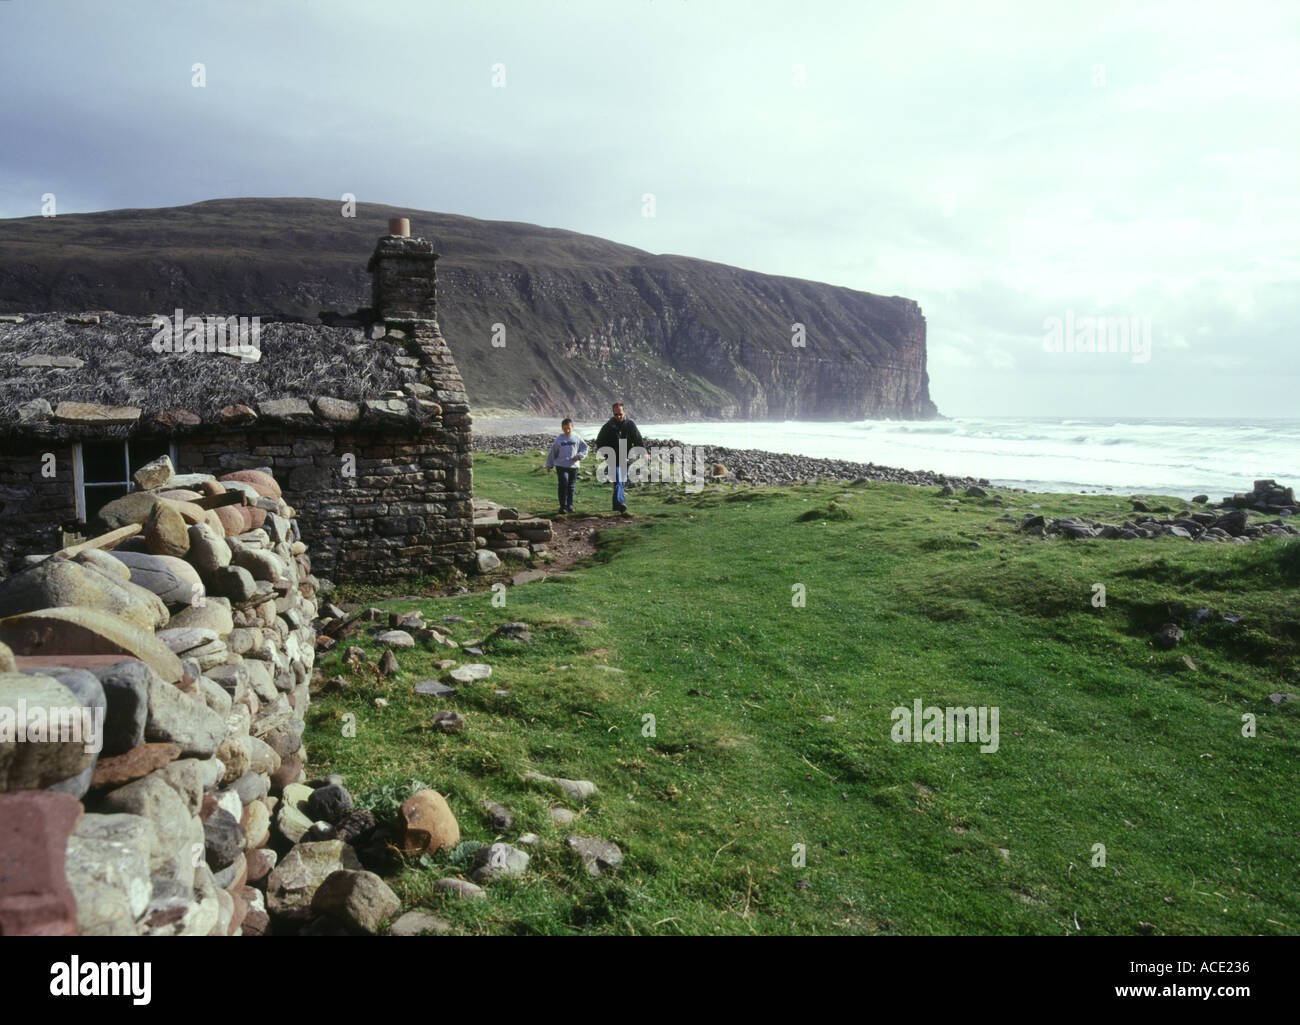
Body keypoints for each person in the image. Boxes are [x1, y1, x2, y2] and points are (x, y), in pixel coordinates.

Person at [594, 401, 646, 514]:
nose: (618, 416)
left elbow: (638, 439)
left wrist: (644, 453)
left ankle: (616, 505)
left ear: (624, 412)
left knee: (621, 482)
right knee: (619, 480)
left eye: (620, 414)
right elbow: (599, 442)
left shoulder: (630, 425)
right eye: (616, 414)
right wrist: (607, 455)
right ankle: (620, 503)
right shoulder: (607, 427)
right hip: (614, 459)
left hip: (627, 458)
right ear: (613, 413)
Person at [545, 418, 589, 514]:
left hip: (573, 466)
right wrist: (549, 464)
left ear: (572, 427)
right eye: (564, 428)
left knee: (571, 486)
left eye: (568, 428)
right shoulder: (559, 439)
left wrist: (579, 456)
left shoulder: (577, 437)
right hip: (561, 466)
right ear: (562, 428)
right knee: (563, 484)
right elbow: (553, 452)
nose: (567, 430)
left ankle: (570, 505)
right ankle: (563, 507)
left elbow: (585, 448)